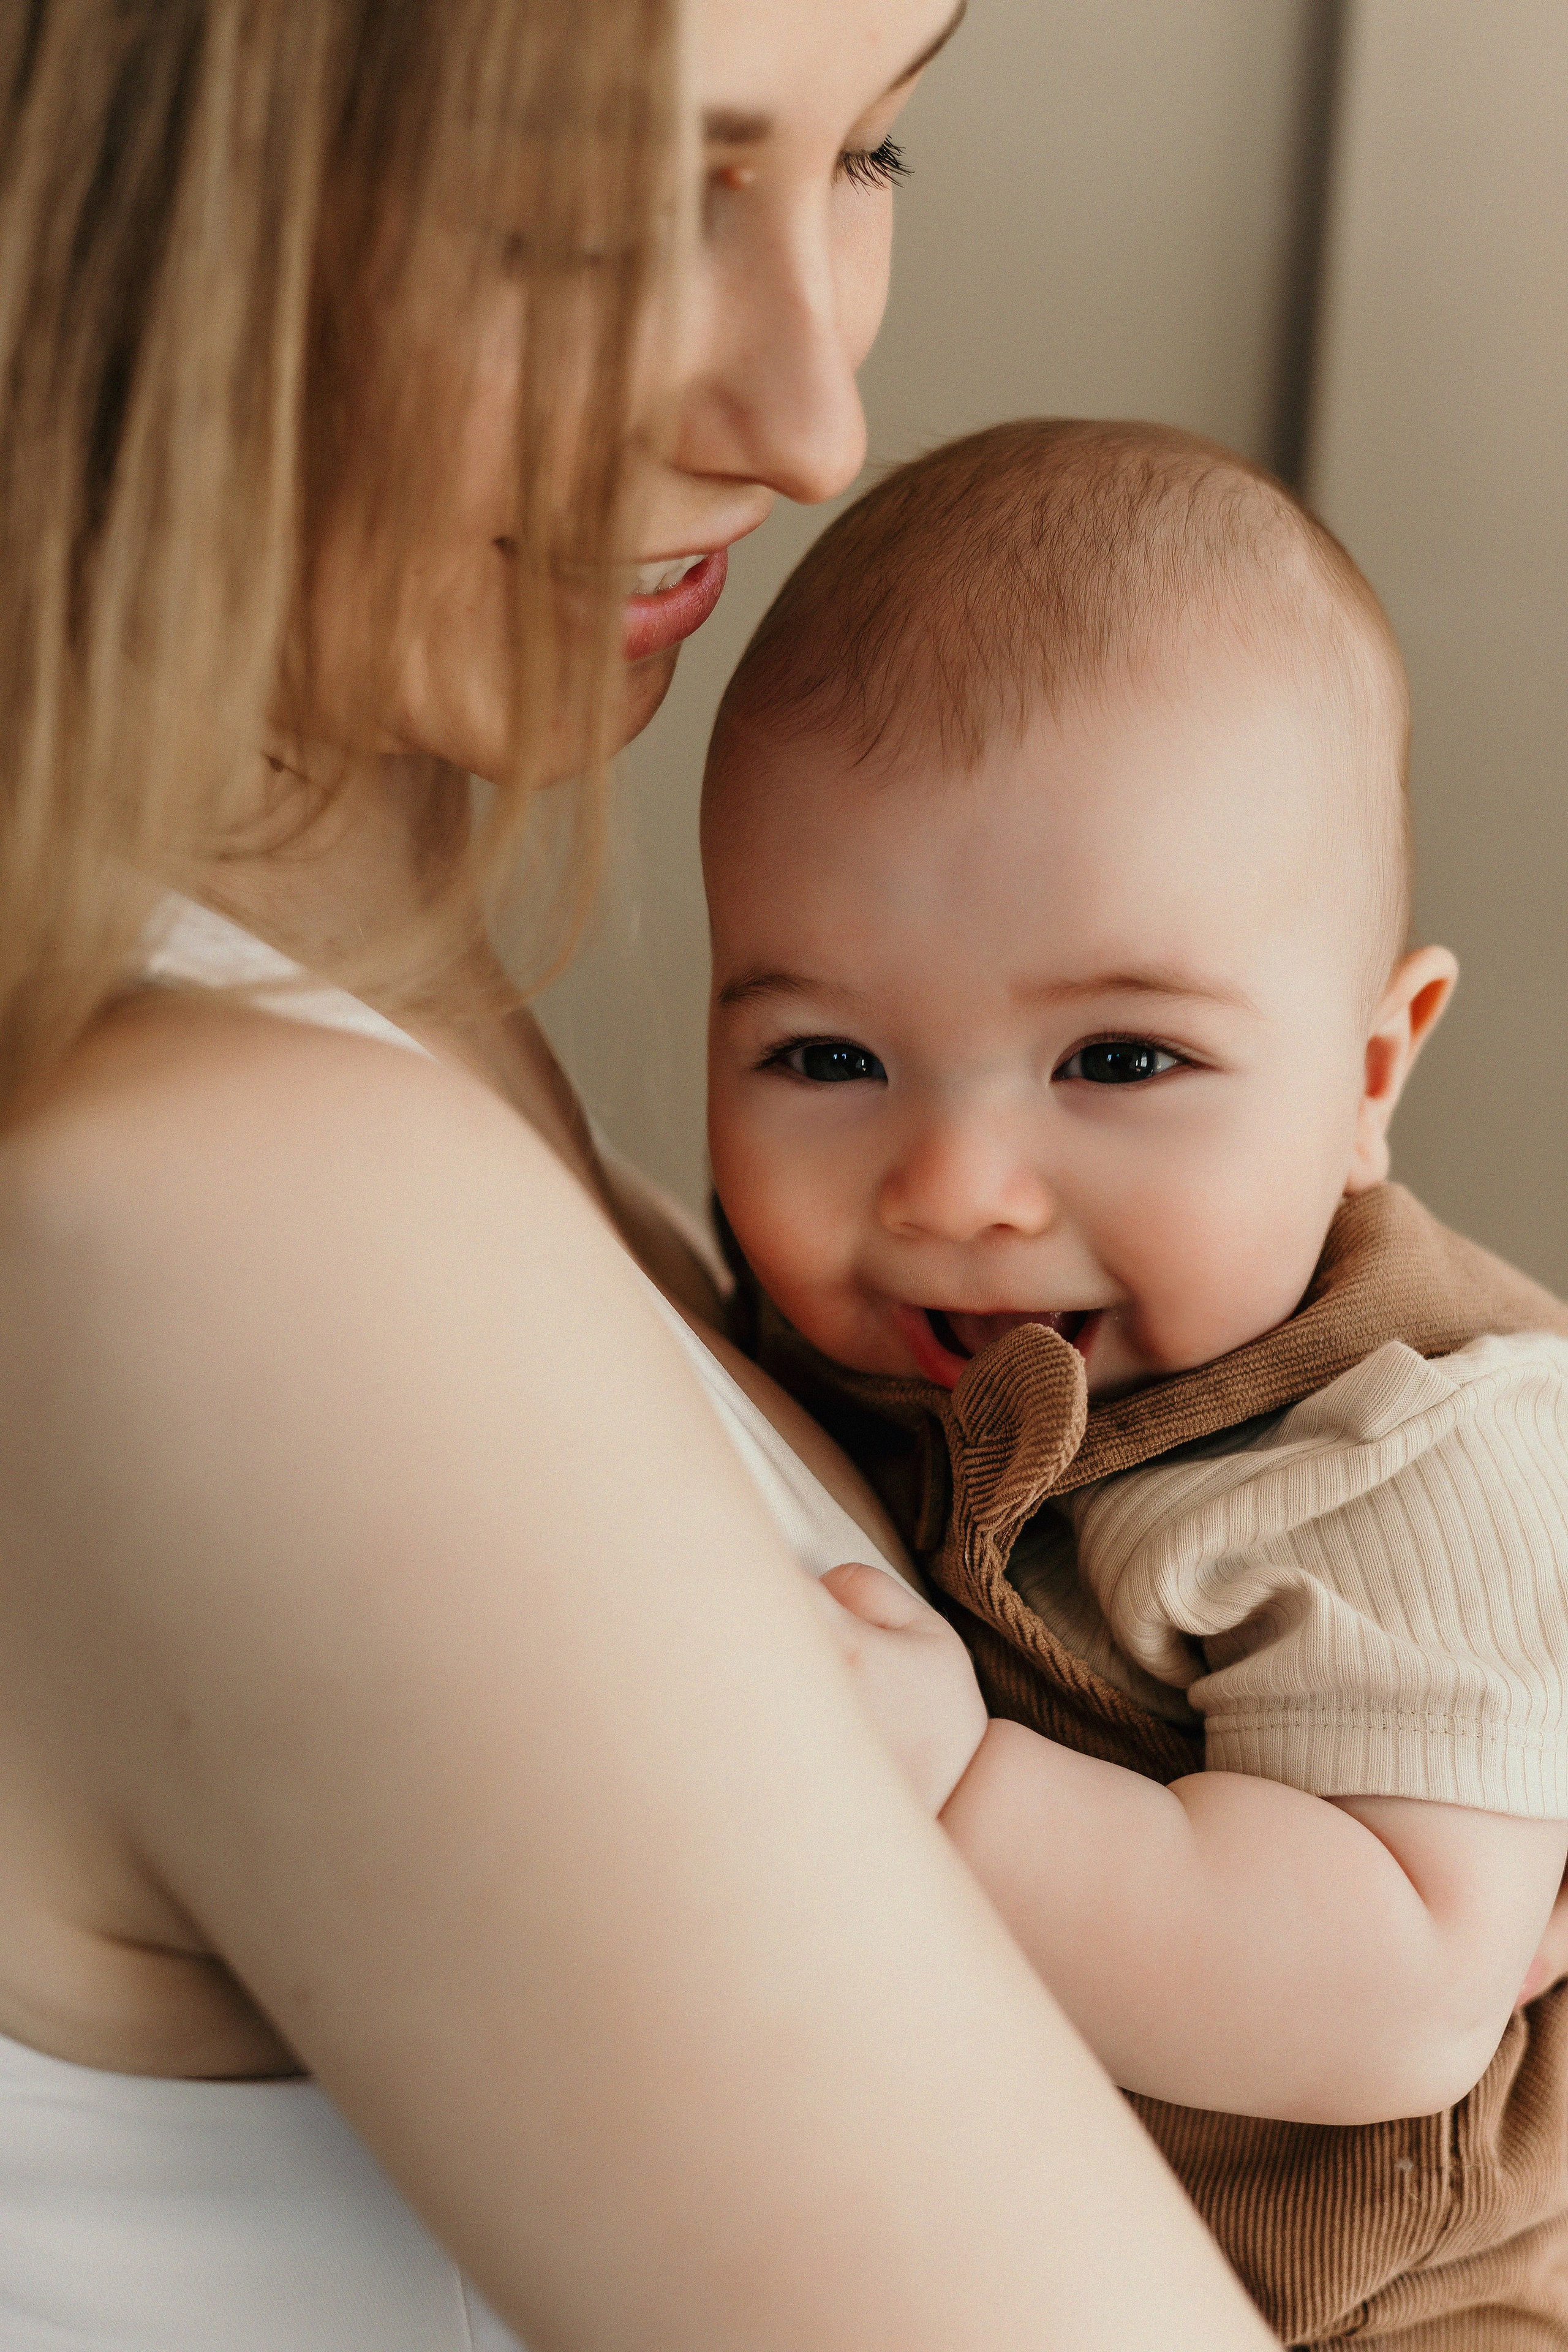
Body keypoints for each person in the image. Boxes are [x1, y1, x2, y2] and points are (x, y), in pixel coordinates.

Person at [0, 7, 1289, 2350]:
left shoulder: (363, 943)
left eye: (879, 148)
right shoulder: (246, 1228)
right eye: (591, 212)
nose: (812, 425)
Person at [702, 418, 1568, 2346]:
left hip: (1379, 2310)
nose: (956, 1193)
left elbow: (1404, 1988)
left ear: (1369, 1072)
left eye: (1120, 1064)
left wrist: (957, 1785)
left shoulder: (1417, 1460)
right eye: (827, 1062)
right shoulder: (783, 1327)